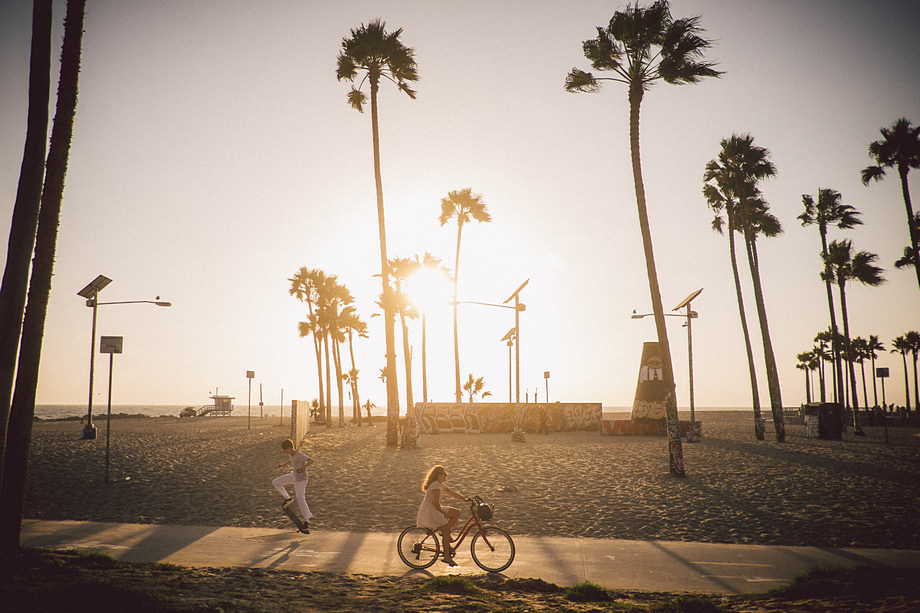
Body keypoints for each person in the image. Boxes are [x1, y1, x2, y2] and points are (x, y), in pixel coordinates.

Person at [416, 465, 466, 566]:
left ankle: (444, 535)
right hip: (430, 511)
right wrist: (443, 513)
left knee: (456, 513)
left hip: (435, 508)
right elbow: (435, 503)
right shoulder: (435, 486)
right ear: (439, 475)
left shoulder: (440, 485)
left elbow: (452, 494)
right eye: (444, 473)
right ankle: (447, 557)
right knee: (446, 530)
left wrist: (465, 499)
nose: (446, 475)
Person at [272, 438, 314, 534]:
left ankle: (306, 521)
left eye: (284, 449)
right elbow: (291, 460)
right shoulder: (291, 454)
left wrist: (303, 467)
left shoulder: (299, 454)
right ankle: (288, 498)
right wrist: (283, 465)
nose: (283, 451)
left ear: (290, 448)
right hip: (294, 476)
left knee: (300, 499)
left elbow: (311, 460)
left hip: (301, 479)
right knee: (276, 482)